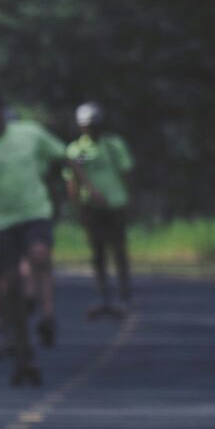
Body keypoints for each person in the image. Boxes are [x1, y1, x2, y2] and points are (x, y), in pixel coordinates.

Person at [0, 89, 85, 383]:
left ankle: (47, 315)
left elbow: (65, 156)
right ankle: (22, 348)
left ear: (2, 110)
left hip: (34, 213)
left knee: (40, 256)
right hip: (0, 224)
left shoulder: (29, 134)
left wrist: (87, 187)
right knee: (9, 286)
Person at [65, 102, 135, 318]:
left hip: (116, 204)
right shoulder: (76, 150)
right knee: (97, 250)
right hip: (91, 206)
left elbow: (127, 171)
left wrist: (128, 198)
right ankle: (103, 291)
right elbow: (71, 180)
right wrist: (76, 205)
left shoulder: (113, 145)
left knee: (119, 247)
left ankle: (124, 291)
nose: (91, 129)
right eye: (86, 125)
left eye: (94, 125)